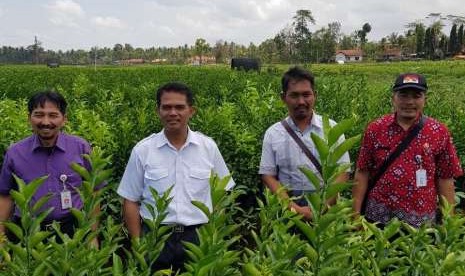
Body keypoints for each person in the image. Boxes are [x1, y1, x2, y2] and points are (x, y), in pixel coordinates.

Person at [117, 82, 235, 272]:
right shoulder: (143, 150)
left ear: (191, 111)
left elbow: (221, 194)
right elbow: (130, 199)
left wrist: (213, 234)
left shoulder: (208, 147)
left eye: (179, 107)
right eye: (167, 107)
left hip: (198, 235)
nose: (173, 112)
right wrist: (138, 243)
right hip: (156, 236)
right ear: (158, 111)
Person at [352, 73, 463, 228]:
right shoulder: (375, 128)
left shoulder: (439, 131)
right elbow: (362, 171)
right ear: (393, 98)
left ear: (425, 100)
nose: (409, 102)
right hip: (377, 221)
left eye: (416, 96)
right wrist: (355, 216)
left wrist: (448, 222)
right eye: (403, 95)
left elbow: (445, 177)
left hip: (421, 223)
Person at [0, 91, 95, 242]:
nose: (45, 122)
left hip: (71, 230)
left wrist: (92, 236)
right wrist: (1, 239)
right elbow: (5, 196)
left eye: (53, 115)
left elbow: (94, 191)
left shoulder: (80, 148)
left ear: (64, 119)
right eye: (39, 114)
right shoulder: (15, 153)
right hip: (28, 232)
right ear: (29, 118)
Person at [259, 66, 350, 220]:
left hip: (325, 204)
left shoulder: (331, 128)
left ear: (315, 95)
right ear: (283, 97)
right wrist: (292, 208)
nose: (301, 101)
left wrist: (323, 206)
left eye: (306, 94)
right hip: (287, 206)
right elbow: (268, 176)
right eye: (294, 95)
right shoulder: (273, 133)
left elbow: (343, 172)